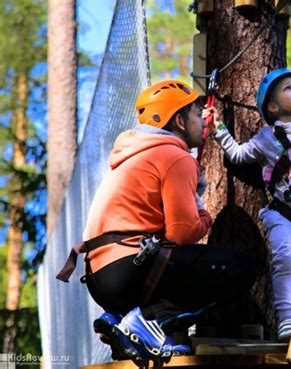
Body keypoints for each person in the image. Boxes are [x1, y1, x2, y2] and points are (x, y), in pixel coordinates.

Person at [57, 80, 256, 360]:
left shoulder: (133, 155)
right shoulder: (175, 157)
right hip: (129, 269)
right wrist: (205, 216)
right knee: (242, 268)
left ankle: (126, 324)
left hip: (99, 277)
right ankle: (150, 319)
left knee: (176, 300)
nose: (203, 122)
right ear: (180, 121)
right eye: (198, 115)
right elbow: (182, 233)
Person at [204, 68, 291, 342]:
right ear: (273, 106)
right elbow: (239, 155)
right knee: (285, 258)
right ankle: (287, 319)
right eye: (288, 88)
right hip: (280, 211)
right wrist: (218, 129)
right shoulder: (266, 139)